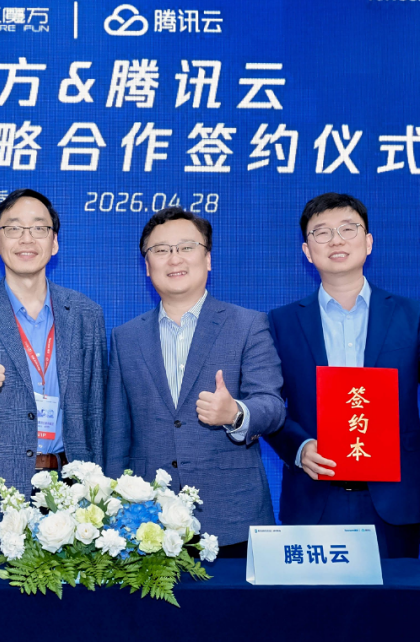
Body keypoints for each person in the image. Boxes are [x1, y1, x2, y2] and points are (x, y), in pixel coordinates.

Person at [265, 192, 420, 558]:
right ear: (307, 251)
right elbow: (268, 405)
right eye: (322, 232)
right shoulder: (281, 322)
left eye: (348, 229)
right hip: (314, 495)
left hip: (394, 499)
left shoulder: (410, 314)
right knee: (316, 598)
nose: (336, 240)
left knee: (395, 596)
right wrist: (300, 448)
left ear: (368, 242)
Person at [104, 207, 285, 558]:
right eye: (160, 250)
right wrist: (114, 511)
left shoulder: (248, 325)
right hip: (147, 523)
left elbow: (272, 406)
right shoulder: (125, 337)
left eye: (187, 247)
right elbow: (117, 434)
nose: (174, 258)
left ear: (208, 259)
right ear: (147, 265)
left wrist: (235, 413)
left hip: (232, 519)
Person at [0, 189, 106, 558]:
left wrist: (98, 492)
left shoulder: (86, 315)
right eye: (13, 228)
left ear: (54, 242)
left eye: (39, 228)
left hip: (70, 494)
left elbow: (97, 411)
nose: (27, 239)